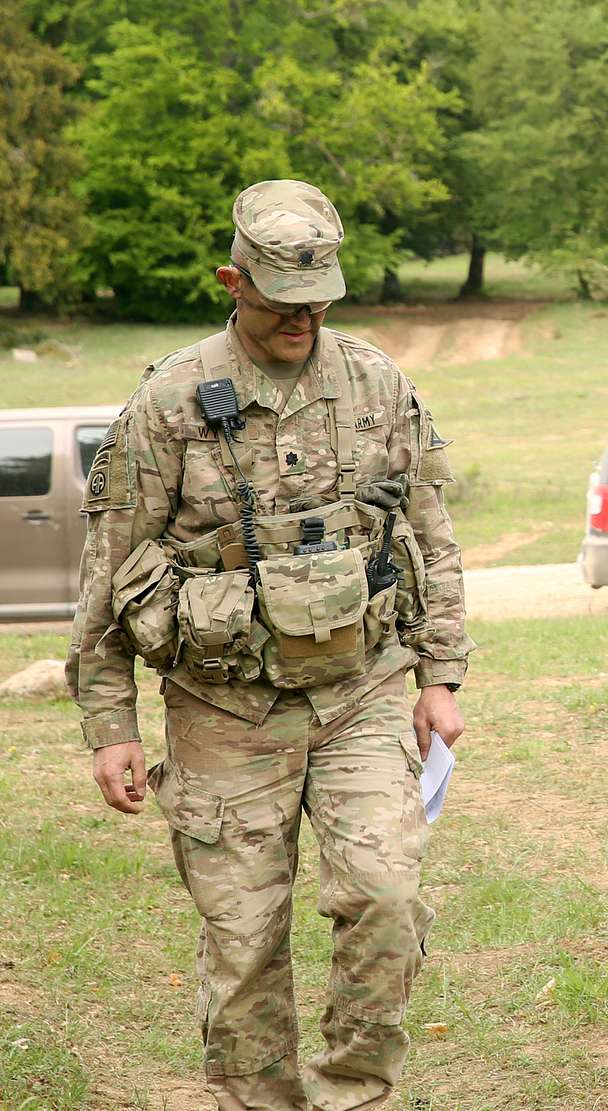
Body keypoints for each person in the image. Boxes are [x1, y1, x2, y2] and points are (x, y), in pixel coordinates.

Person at [68, 179, 474, 1111]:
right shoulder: (169, 403)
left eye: (322, 295)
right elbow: (108, 571)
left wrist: (440, 675)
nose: (307, 316)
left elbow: (433, 534)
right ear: (234, 280)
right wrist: (110, 727)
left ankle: (353, 1094)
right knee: (246, 946)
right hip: (222, 710)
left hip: (360, 692)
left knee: (385, 896)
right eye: (286, 300)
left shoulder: (377, 383)